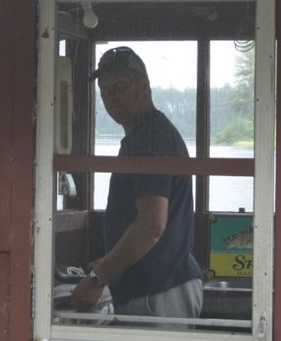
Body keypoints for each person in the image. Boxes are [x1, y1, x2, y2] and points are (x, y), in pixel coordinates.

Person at [71, 46, 203, 321]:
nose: (111, 97)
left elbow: (151, 225)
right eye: (105, 89)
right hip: (156, 287)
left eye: (120, 85)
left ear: (144, 86)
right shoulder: (145, 135)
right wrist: (108, 264)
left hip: (159, 292)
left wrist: (98, 278)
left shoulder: (149, 138)